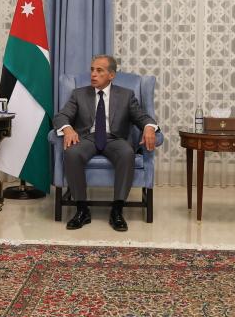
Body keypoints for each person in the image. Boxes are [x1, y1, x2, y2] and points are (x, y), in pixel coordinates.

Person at [53, 55, 158, 232]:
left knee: (127, 153)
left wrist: (149, 127)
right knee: (72, 152)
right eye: (92, 70)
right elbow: (61, 116)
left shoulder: (126, 95)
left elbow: (142, 117)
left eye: (99, 70)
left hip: (114, 139)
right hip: (87, 138)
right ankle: (82, 210)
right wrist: (67, 128)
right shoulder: (79, 94)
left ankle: (117, 210)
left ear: (111, 75)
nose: (93, 74)